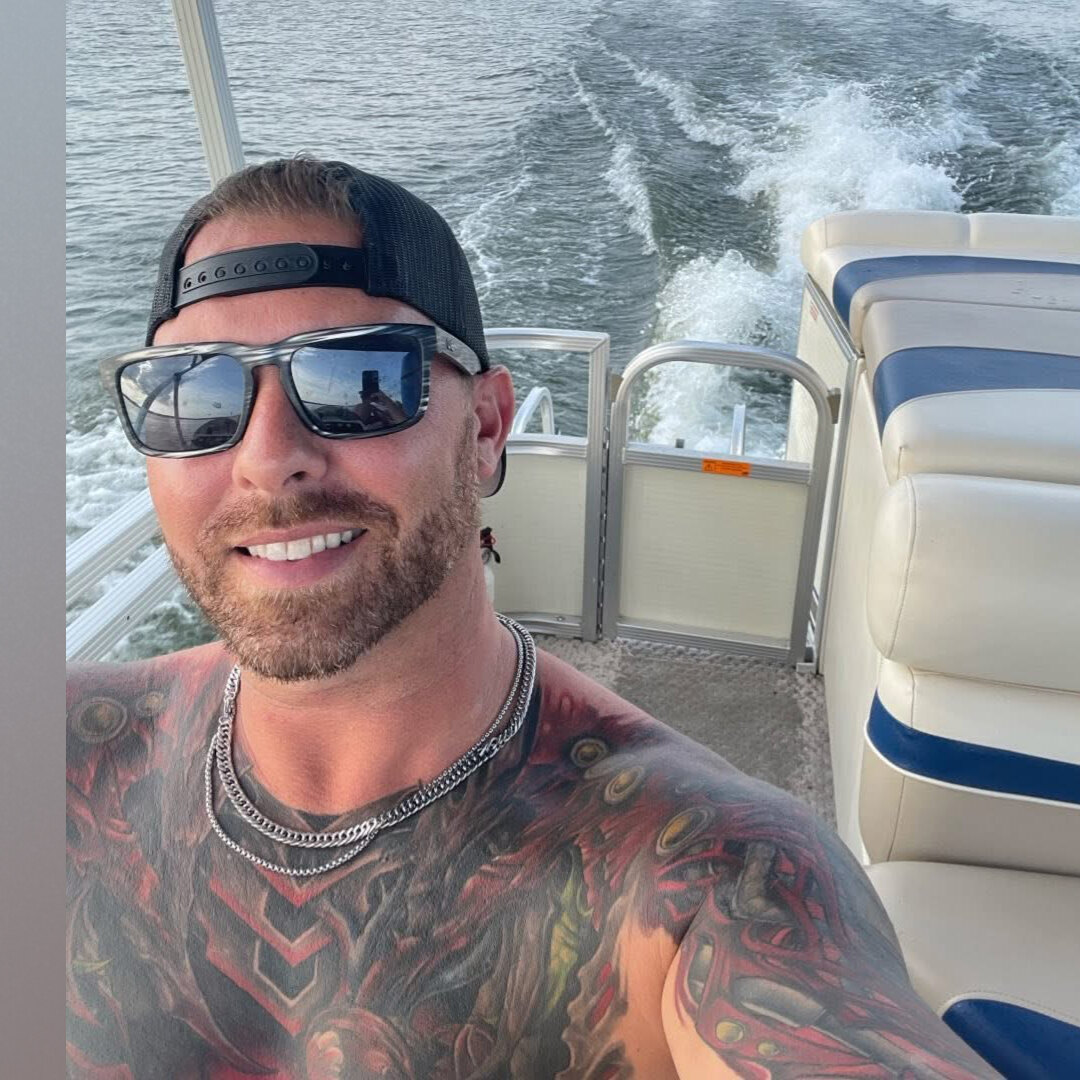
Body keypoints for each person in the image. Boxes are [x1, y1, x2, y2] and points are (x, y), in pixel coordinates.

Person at [66, 157, 996, 1079]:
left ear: (485, 428)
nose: (268, 459)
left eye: (357, 378)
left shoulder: (709, 880)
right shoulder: (58, 751)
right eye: (193, 396)